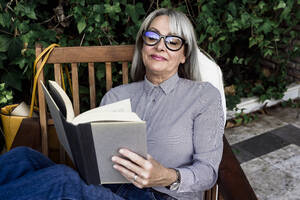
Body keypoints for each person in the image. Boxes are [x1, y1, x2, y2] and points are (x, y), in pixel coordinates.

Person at [0, 8, 225, 200]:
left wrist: (166, 176)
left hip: (161, 196)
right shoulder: (117, 96)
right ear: (143, 45)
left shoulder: (203, 96)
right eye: (152, 37)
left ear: (184, 54)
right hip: (110, 190)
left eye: (173, 41)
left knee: (63, 179)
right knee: (23, 157)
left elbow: (208, 171)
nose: (160, 46)